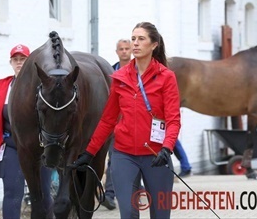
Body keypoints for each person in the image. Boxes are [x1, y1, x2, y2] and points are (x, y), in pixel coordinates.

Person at [69, 22, 181, 219]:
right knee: (128, 213)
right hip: (124, 156)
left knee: (161, 215)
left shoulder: (166, 77)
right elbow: (107, 120)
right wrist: (89, 152)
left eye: (141, 39)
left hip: (156, 155)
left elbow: (173, 119)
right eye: (134, 39)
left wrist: (167, 147)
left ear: (154, 44)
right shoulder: (119, 77)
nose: (135, 44)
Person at [0, 44, 53, 219]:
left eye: (23, 59)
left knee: (43, 194)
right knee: (12, 194)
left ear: (30, 62)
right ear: (11, 62)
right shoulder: (4, 86)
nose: (19, 63)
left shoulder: (41, 85)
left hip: (39, 149)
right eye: (16, 60)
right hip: (12, 146)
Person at [102, 39, 132, 210]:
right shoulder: (110, 73)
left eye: (127, 49)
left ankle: (135, 189)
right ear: (117, 51)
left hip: (134, 124)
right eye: (121, 49)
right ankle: (109, 195)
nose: (124, 52)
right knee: (114, 160)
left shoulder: (138, 72)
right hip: (115, 124)